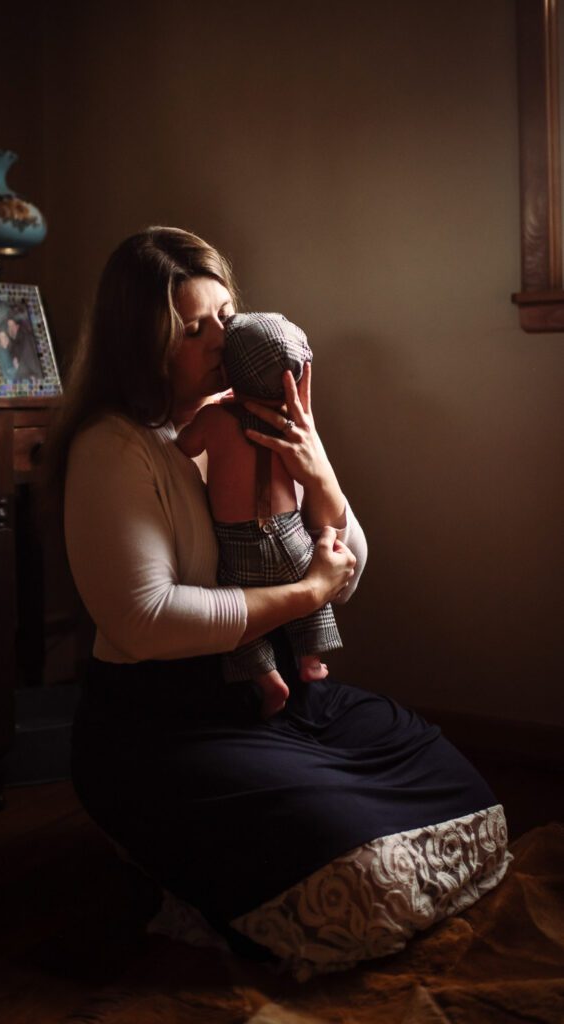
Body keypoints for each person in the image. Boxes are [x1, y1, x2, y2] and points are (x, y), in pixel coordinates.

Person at [47, 226, 511, 981]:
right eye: (191, 329)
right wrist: (305, 594)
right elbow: (146, 619)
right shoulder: (115, 447)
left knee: (461, 788)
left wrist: (319, 473)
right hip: (162, 722)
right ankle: (164, 849)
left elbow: (347, 567)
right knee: (360, 879)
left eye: (224, 318)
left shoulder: (253, 414)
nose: (216, 340)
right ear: (144, 344)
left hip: (276, 697)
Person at [176, 312, 343, 718]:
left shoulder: (214, 418)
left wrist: (207, 414)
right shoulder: (292, 429)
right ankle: (310, 659)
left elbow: (184, 446)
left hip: (238, 544)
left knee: (234, 609)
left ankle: (267, 679)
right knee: (313, 582)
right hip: (290, 536)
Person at [7, 313, 42, 379]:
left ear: (17, 326)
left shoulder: (25, 337)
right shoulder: (15, 342)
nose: (10, 328)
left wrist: (18, 367)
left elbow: (30, 362)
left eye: (12, 325)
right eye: (9, 326)